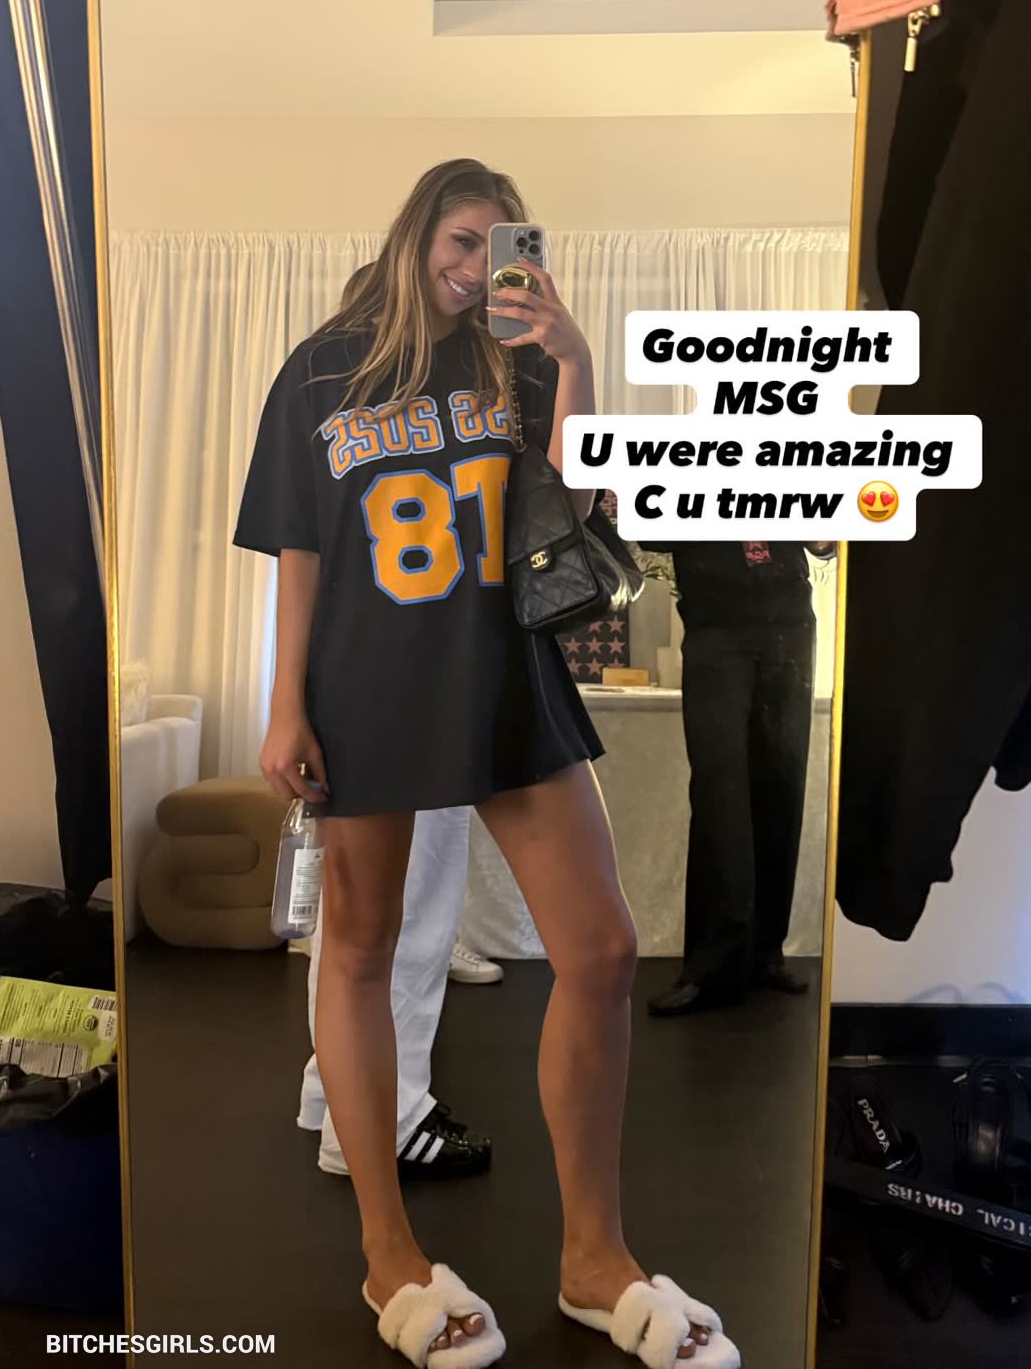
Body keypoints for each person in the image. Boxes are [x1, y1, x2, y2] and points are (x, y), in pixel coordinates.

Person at [235, 160, 733, 1365]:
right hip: (365, 683)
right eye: (461, 239)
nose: (475, 265)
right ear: (418, 233)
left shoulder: (514, 361)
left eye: (499, 245)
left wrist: (576, 360)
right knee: (358, 952)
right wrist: (284, 704)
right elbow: (300, 552)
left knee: (599, 948)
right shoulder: (320, 369)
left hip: (503, 671)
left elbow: (582, 504)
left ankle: (592, 1256)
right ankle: (388, 1255)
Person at [295, 264, 496, 1182]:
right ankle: (385, 1115)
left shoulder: (336, 411)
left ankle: (329, 1098)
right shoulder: (413, 418)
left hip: (352, 690)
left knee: (348, 934)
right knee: (406, 923)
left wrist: (294, 704)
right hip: (417, 691)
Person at [649, 540, 836, 1021]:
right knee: (719, 791)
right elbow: (651, 532)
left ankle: (765, 952)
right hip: (716, 621)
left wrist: (825, 535)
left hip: (790, 620)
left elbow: (824, 542)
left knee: (783, 784)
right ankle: (711, 965)